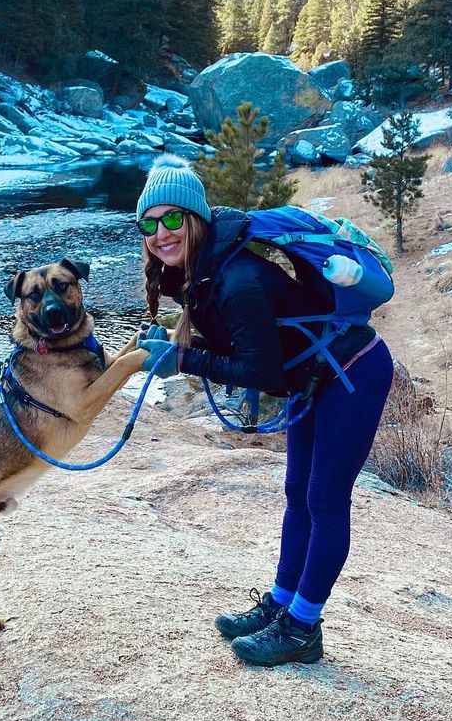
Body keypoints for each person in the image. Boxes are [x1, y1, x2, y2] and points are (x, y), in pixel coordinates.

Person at [133, 154, 394, 667]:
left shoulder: (234, 281)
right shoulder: (205, 268)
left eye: (171, 219)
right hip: (321, 374)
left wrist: (182, 359)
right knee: (297, 493)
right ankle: (281, 604)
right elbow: (243, 347)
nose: (161, 233)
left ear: (196, 219)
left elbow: (263, 373)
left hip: (353, 372)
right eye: (149, 222)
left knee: (323, 498)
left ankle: (302, 628)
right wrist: (178, 345)